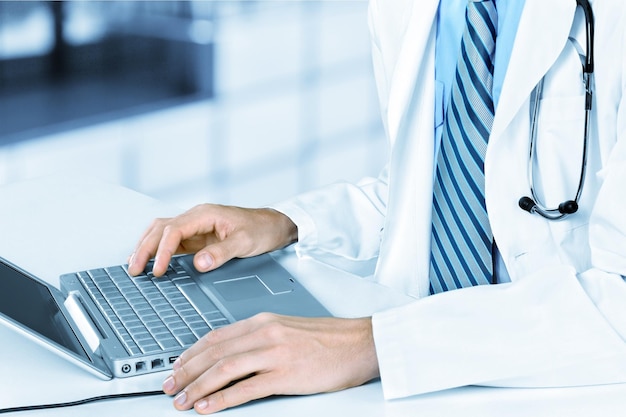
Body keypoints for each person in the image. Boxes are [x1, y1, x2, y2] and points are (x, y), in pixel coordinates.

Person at [128, 0, 626, 414]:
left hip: (560, 387)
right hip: (412, 388)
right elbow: (437, 188)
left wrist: (371, 346)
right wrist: (285, 223)